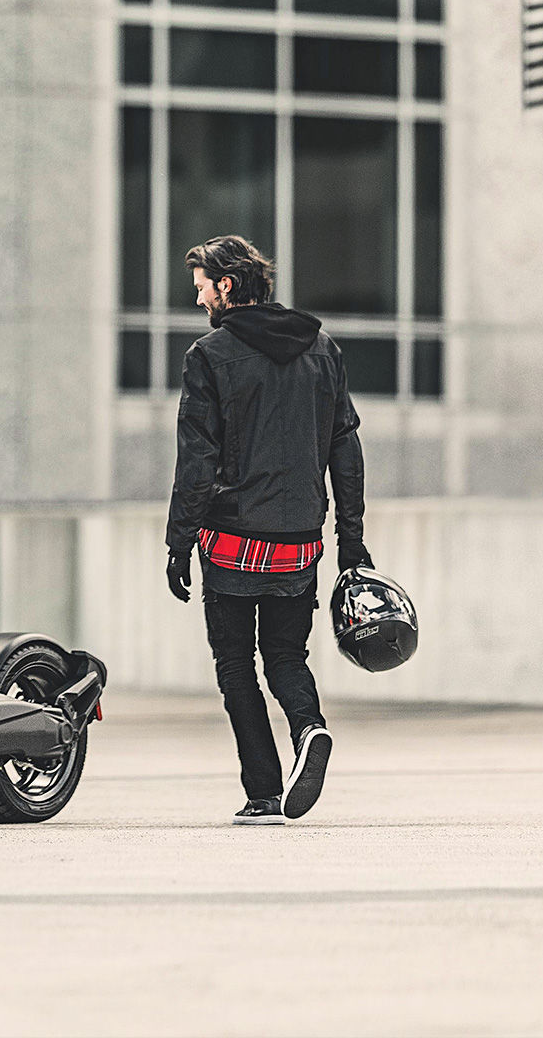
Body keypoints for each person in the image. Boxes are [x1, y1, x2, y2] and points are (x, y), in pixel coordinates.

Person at [165, 235, 372, 825]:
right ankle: (310, 727)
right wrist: (349, 539)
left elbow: (197, 460)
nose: (198, 295)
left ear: (226, 286)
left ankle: (263, 794)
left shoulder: (209, 355)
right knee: (286, 655)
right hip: (299, 541)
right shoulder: (323, 349)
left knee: (235, 665)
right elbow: (345, 449)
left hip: (231, 541)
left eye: (203, 284)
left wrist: (179, 543)